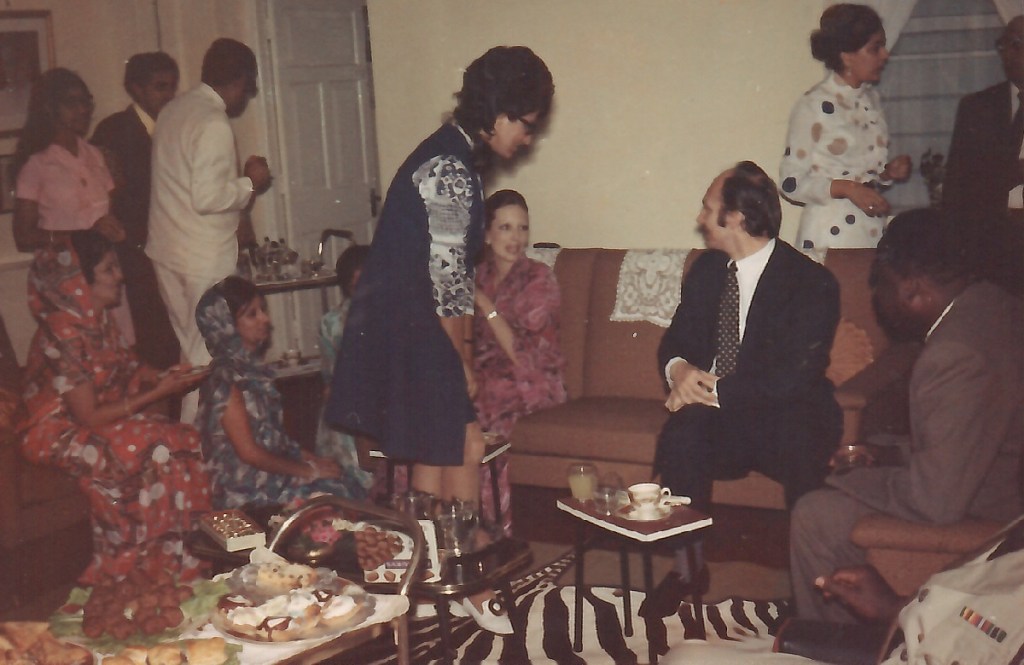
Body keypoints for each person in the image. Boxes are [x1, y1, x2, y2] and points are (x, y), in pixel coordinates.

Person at [326, 46, 554, 634]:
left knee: (434, 453)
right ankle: (465, 579)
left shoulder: (451, 155)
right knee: (465, 444)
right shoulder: (452, 170)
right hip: (413, 327)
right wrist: (461, 361)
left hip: (402, 324)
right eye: (526, 124)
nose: (528, 138)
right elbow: (450, 287)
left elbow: (451, 278)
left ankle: (425, 584)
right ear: (499, 113)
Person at [790, 208, 1023, 624]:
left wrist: (849, 478)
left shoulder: (953, 355)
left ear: (912, 290)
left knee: (816, 514)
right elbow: (971, 435)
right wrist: (887, 454)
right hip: (991, 485)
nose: (877, 300)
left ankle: (836, 645)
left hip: (996, 521)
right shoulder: (993, 306)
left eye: (881, 286)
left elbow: (936, 503)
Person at [643, 161, 841, 615]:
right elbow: (675, 342)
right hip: (724, 420)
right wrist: (679, 372)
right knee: (684, 431)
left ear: (735, 218)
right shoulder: (708, 270)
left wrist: (710, 390)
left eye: (707, 208)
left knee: (802, 438)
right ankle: (688, 568)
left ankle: (813, 588)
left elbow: (793, 379)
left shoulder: (811, 282)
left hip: (786, 414)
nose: (699, 218)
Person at [19, 230, 210, 584]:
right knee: (143, 446)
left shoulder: (98, 320)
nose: (120, 276)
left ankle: (178, 563)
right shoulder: (64, 330)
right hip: (55, 430)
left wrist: (166, 376)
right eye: (109, 269)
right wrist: (157, 393)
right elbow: (87, 416)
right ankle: (130, 572)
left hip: (97, 417)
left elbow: (130, 369)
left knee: (183, 437)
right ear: (79, 279)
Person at [146, 38, 272, 425]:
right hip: (201, 257)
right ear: (240, 80)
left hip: (168, 252)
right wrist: (251, 183)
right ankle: (196, 445)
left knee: (193, 350)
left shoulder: (174, 109)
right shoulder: (214, 121)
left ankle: (188, 443)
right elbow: (207, 197)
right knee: (208, 355)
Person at [196, 276, 368, 510]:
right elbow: (250, 453)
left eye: (263, 310)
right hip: (245, 491)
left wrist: (313, 459)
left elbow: (276, 440)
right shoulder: (223, 379)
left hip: (268, 477)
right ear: (226, 326)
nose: (265, 319)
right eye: (252, 314)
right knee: (336, 496)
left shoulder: (251, 371)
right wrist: (309, 471)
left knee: (346, 479)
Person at [779, 3, 912, 262]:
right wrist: (847, 189)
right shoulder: (814, 105)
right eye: (875, 48)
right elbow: (790, 182)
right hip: (828, 240)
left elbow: (864, 175)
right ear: (847, 55)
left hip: (870, 234)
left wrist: (887, 174)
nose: (885, 55)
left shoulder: (871, 101)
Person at [12, 68, 133, 340]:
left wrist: (116, 229)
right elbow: (23, 236)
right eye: (71, 103)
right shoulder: (37, 165)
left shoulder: (97, 156)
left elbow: (109, 214)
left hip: (104, 276)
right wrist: (82, 236)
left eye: (86, 101)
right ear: (50, 108)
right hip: (66, 278)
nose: (83, 110)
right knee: (79, 349)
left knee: (118, 347)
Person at [472, 189, 567, 536]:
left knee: (485, 413)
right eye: (505, 228)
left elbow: (524, 356)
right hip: (485, 376)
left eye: (522, 228)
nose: (516, 238)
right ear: (486, 234)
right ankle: (437, 526)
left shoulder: (539, 278)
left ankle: (494, 531)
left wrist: (485, 304)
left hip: (533, 380)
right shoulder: (477, 275)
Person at [91, 52, 181, 370]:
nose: (169, 95)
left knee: (179, 334)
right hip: (134, 251)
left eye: (172, 87)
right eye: (160, 87)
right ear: (136, 89)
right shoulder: (113, 131)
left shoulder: (179, 125)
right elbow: (105, 196)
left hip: (174, 247)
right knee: (149, 337)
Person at [942, 15, 1024, 296]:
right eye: (1004, 44)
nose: (1008, 53)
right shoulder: (976, 107)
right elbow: (955, 187)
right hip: (987, 249)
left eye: (1017, 44)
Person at [314, 244, 373, 490]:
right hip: (348, 410)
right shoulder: (333, 323)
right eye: (356, 285)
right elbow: (330, 380)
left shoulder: (394, 314)